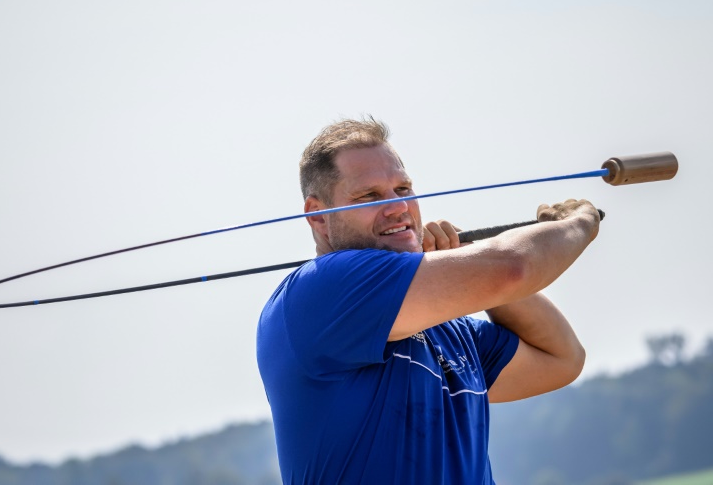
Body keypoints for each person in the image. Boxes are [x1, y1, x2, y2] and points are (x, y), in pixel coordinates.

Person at [256, 117, 600, 484]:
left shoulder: (450, 329)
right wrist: (580, 223)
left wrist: (464, 261)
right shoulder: (325, 288)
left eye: (403, 189)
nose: (397, 207)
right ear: (318, 218)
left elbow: (562, 359)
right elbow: (513, 269)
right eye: (369, 196)